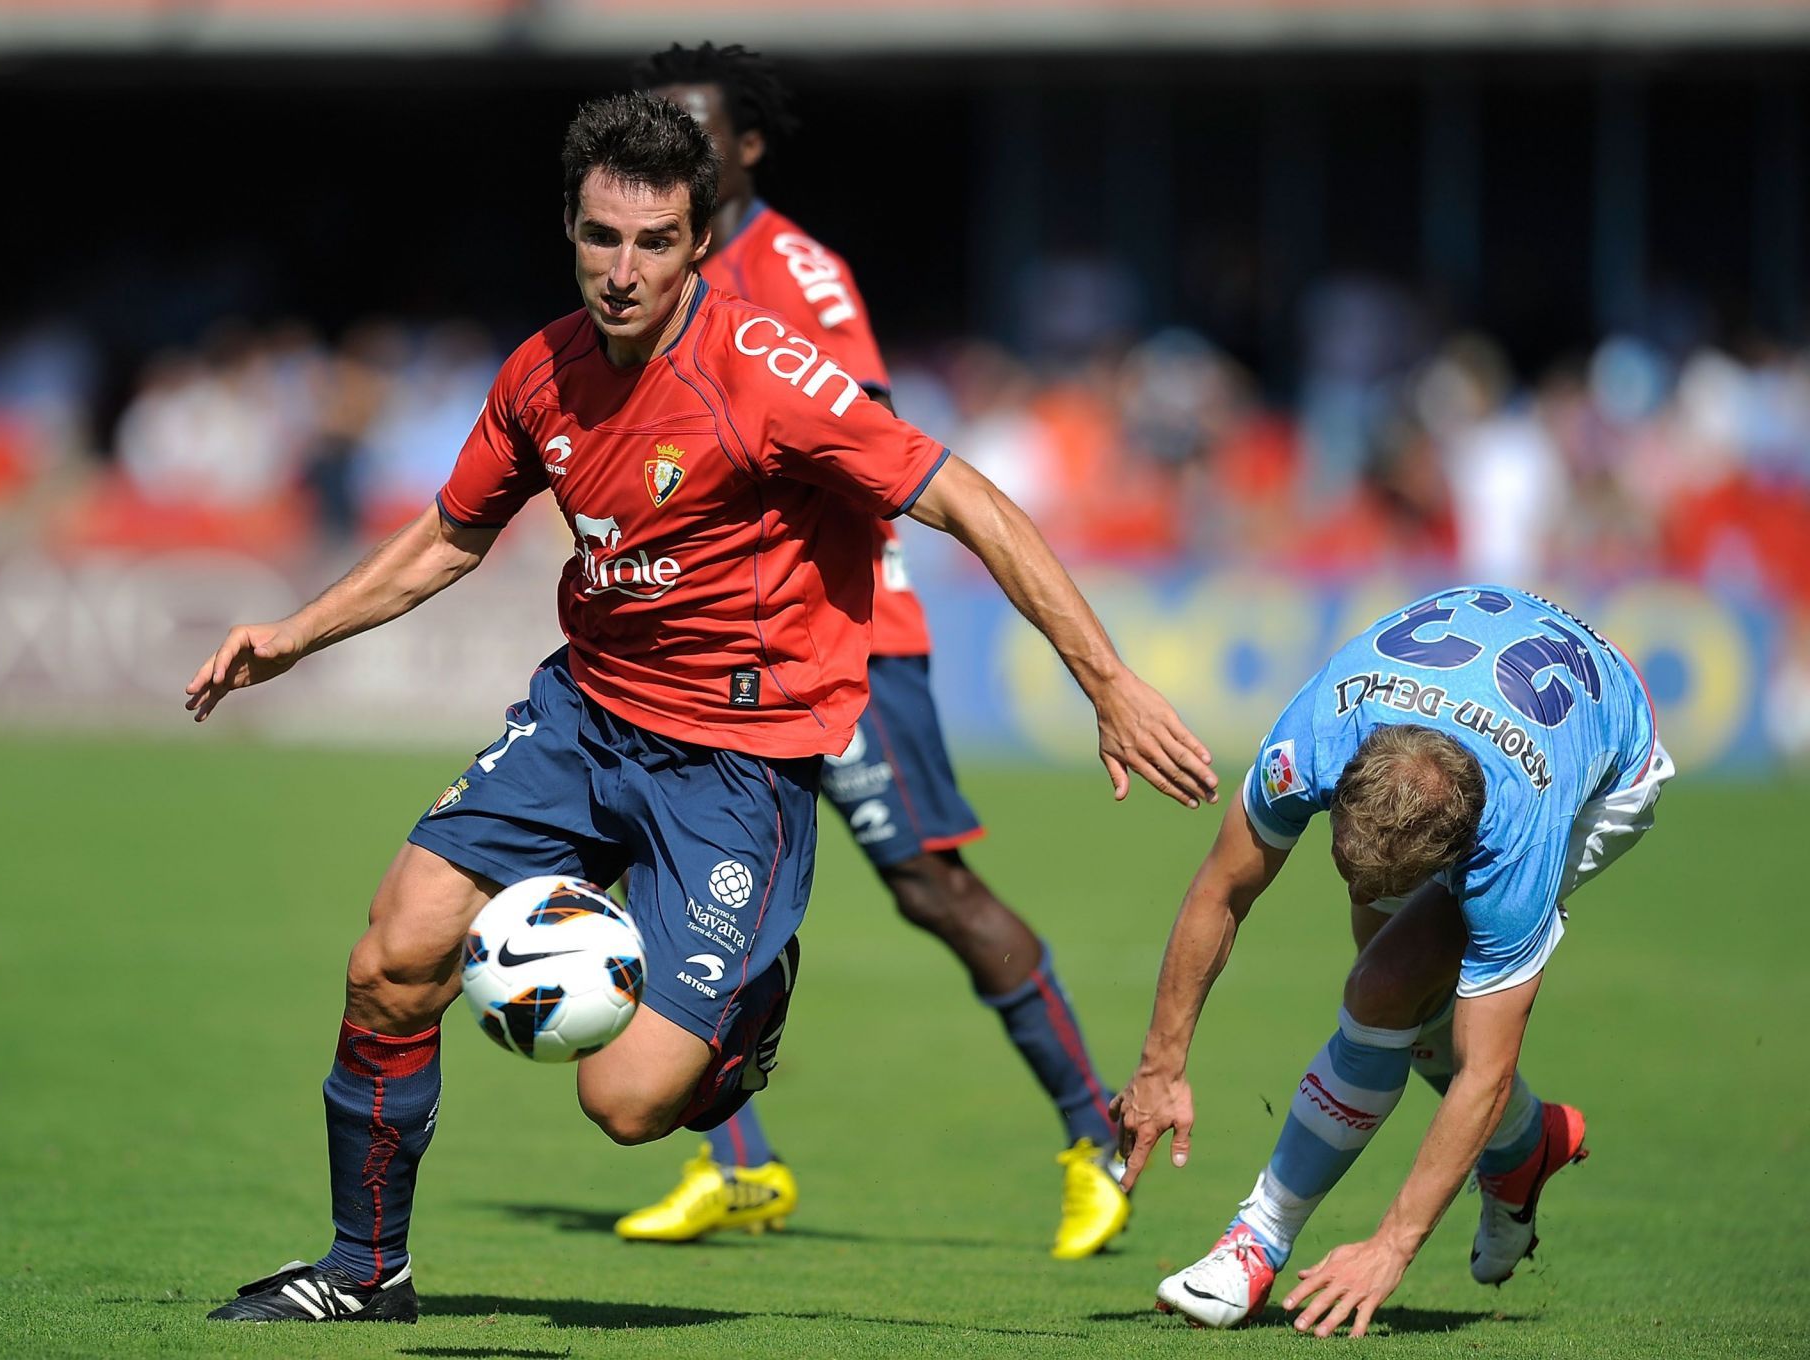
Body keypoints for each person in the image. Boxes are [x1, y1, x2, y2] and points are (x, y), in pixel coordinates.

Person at [185, 91, 1216, 1325]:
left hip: (736, 762)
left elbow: (974, 503)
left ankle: (749, 1007)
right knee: (393, 952)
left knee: (624, 1106)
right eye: (600, 238)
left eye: (654, 242)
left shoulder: (766, 377)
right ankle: (365, 1271)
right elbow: (447, 541)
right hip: (584, 718)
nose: (623, 271)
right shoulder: (540, 370)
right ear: (568, 229)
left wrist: (1106, 680)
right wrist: (294, 635)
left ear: (696, 241)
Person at [604, 41, 1134, 1260]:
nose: (671, 153)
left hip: (843, 639)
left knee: (930, 889)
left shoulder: (790, 268)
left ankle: (1094, 1134)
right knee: (663, 865)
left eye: (696, 131)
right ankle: (734, 1162)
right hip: (722, 642)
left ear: (743, 148)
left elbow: (875, 436)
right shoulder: (664, 276)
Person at [1111, 585, 1671, 1337]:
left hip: (1610, 759)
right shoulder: (1318, 736)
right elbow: (1221, 890)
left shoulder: (1517, 844)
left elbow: (1486, 1069)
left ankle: (1255, 1241)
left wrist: (1392, 1244)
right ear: (1340, 791)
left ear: (1460, 858)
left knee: (1384, 989)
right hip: (1472, 657)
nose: (1360, 889)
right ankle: (1525, 1147)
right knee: (1392, 994)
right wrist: (1159, 1066)